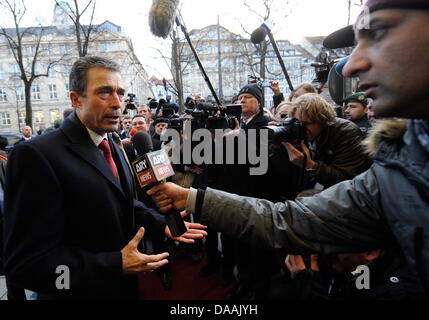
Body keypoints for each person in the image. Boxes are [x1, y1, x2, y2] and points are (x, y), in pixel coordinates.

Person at [148, 0, 429, 294]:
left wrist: (309, 166)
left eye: (380, 32)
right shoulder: (394, 174)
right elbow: (285, 219)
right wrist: (192, 198)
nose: (350, 67)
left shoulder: (354, 142)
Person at [3, 56, 206, 300]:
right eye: (104, 92)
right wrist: (113, 265)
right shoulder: (36, 155)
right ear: (76, 99)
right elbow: (27, 267)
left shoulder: (111, 142)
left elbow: (119, 202)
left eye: (120, 93)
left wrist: (158, 222)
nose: (117, 103)